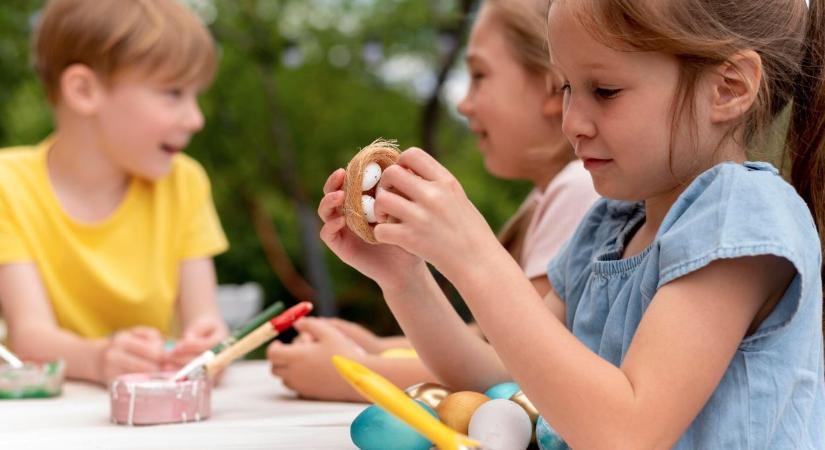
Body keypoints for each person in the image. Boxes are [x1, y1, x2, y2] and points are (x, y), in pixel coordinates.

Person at [319, 0, 825, 447]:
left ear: (728, 88)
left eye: (604, 90)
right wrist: (406, 278)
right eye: (566, 88)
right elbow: (511, 378)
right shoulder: (608, 228)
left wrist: (475, 257)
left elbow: (628, 432)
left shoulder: (742, 216)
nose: (571, 122)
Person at [267, 0, 599, 402]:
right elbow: (488, 344)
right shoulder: (547, 196)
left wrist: (353, 371)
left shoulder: (578, 188)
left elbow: (517, 369)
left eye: (479, 75)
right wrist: (382, 335)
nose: (463, 102)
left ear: (551, 84)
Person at [0, 0, 229, 385]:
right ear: (84, 90)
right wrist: (99, 359)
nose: (196, 118)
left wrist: (209, 348)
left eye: (195, 95)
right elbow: (29, 337)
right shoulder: (9, 184)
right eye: (173, 92)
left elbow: (207, 322)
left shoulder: (185, 182)